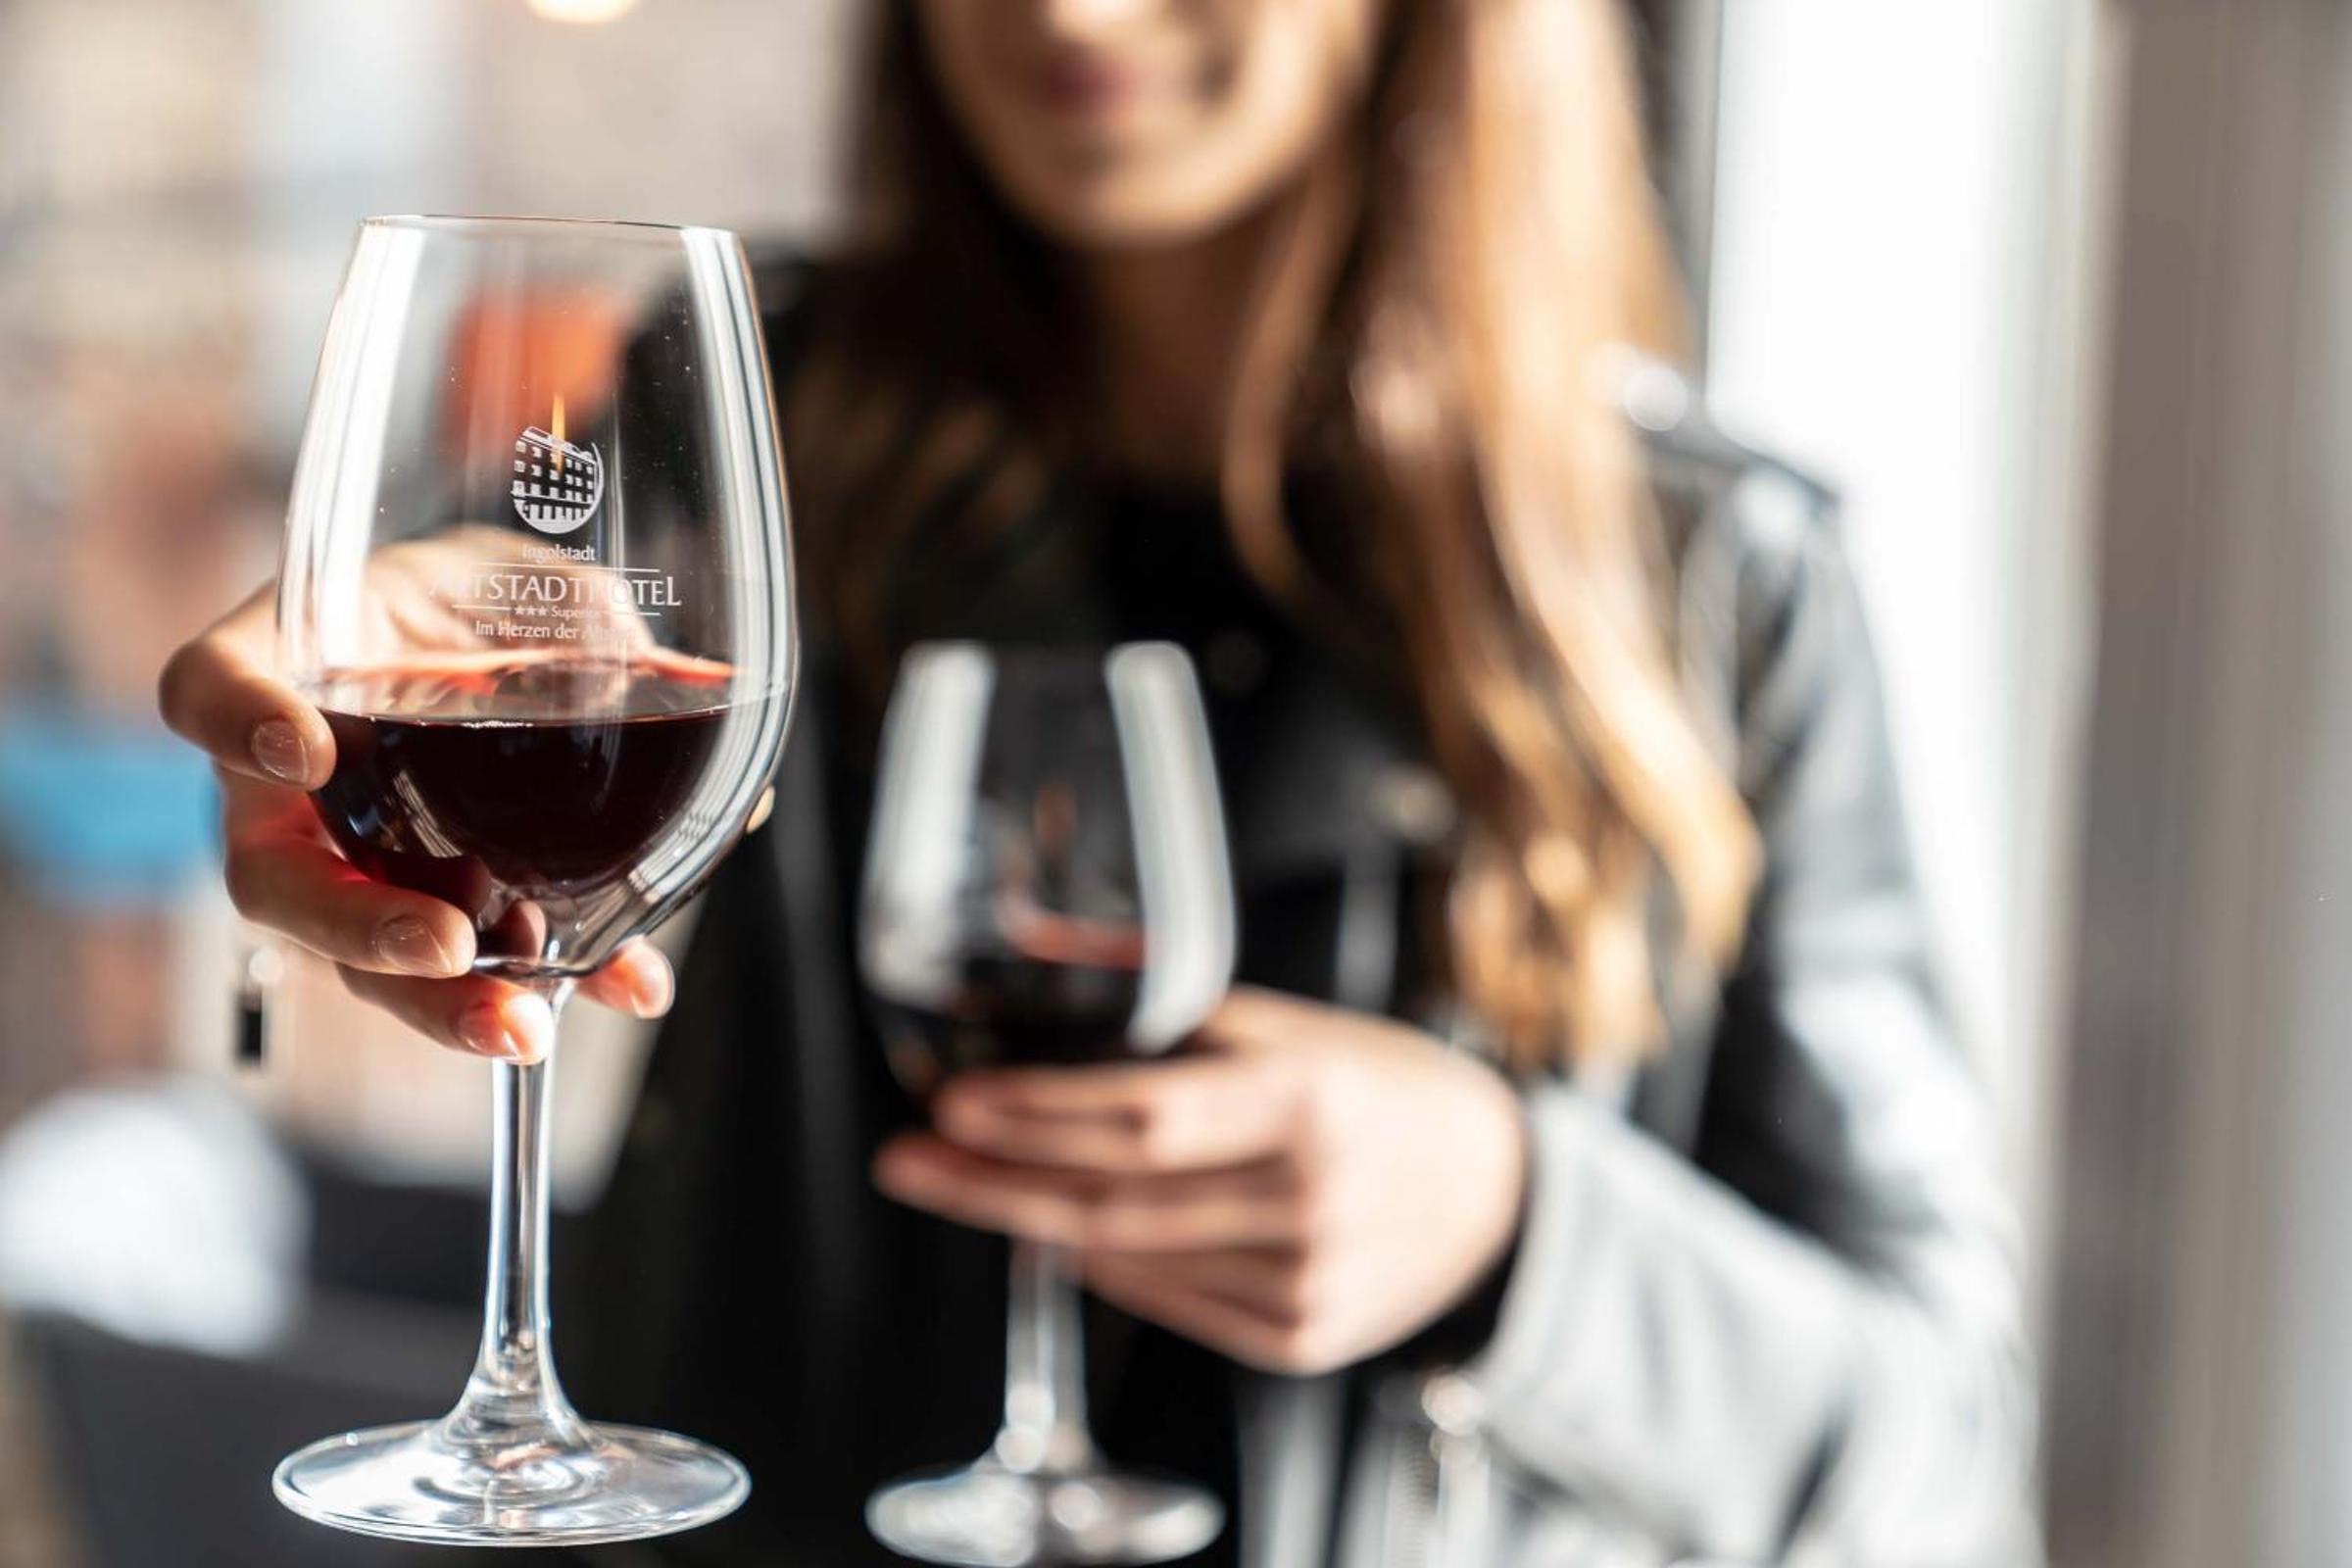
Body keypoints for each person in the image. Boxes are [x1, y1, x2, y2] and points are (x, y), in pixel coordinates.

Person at [158, 0, 2039, 1562]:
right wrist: (352, 764)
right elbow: (517, 648)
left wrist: (1519, 1226)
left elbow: (1938, 1440)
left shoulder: (1713, 584)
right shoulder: (768, 419)